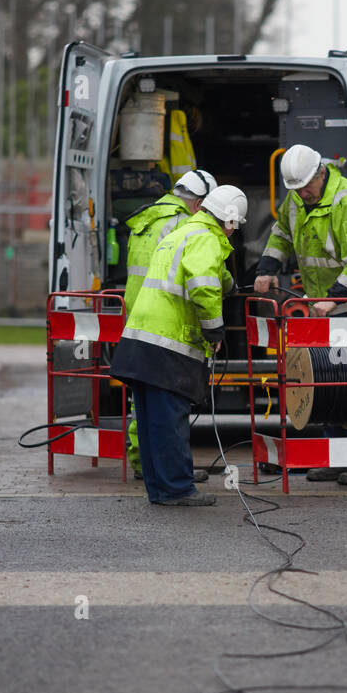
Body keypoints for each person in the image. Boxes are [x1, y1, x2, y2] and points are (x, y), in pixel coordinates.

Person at [254, 144, 347, 486]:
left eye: (306, 186)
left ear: (320, 173)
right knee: (328, 378)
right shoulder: (298, 199)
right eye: (296, 189)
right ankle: (338, 456)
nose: (302, 193)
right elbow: (282, 235)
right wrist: (268, 268)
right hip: (327, 304)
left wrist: (333, 299)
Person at [110, 185, 247, 506]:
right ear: (228, 222)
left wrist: (229, 282)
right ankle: (177, 489)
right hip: (167, 343)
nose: (232, 234)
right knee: (170, 420)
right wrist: (215, 331)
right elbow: (202, 284)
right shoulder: (206, 239)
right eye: (234, 227)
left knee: (149, 421)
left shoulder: (182, 232)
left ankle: (160, 488)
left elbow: (207, 274)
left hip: (140, 339)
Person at [122, 169, 218, 479]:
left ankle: (143, 462)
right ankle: (170, 473)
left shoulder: (148, 219)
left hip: (138, 312)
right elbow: (196, 271)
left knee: (145, 401)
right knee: (168, 404)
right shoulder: (183, 224)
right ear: (199, 202)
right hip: (167, 317)